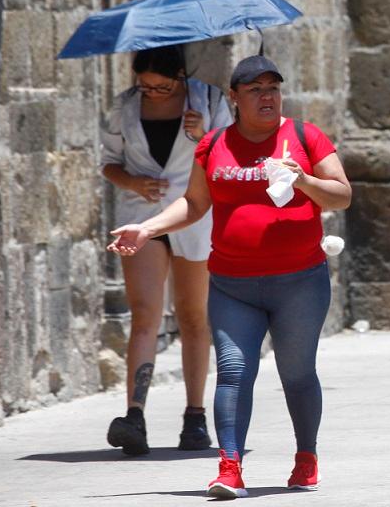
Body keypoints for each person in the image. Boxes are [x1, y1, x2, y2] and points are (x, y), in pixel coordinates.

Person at [107, 54, 352, 498]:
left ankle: (306, 457)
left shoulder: (304, 136)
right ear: (235, 98)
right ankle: (230, 467)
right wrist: (147, 228)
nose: (267, 96)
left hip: (299, 281)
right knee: (234, 371)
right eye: (255, 89)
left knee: (296, 373)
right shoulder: (214, 144)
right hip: (232, 283)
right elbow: (195, 205)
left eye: (273, 87)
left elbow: (342, 195)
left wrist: (305, 182)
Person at [101, 45, 233, 455]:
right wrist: (133, 183)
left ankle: (195, 416)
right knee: (145, 315)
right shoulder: (123, 107)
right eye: (145, 85)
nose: (153, 92)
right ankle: (134, 416)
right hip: (141, 217)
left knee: (195, 317)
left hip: (194, 216)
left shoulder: (209, 101)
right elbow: (108, 163)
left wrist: (201, 137)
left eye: (161, 86)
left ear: (179, 75)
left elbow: (229, 156)